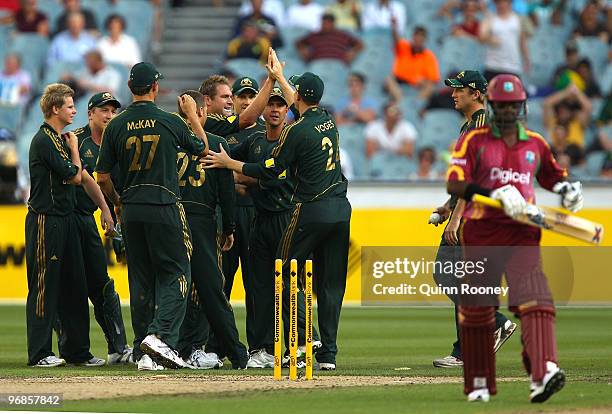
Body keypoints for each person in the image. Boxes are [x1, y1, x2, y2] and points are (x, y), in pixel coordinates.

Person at [205, 67, 352, 371]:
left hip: (305, 211)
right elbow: (296, 100)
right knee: (329, 285)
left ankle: (301, 343)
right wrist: (279, 77)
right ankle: (326, 353)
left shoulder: (294, 132)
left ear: (293, 101)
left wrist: (230, 164)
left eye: (282, 102)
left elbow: (271, 170)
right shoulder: (328, 120)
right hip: (340, 208)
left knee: (283, 273)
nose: (275, 108)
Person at [446, 74, 581, 403]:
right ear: (492, 105)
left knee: (537, 301)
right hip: (482, 231)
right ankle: (479, 382)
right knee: (478, 307)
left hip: (522, 231)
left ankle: (543, 371)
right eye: (501, 107)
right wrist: (493, 193)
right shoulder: (473, 141)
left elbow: (552, 174)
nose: (507, 113)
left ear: (521, 107)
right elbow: (455, 184)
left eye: (513, 106)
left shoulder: (535, 142)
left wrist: (567, 188)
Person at [95, 62, 210, 370]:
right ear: (155, 88)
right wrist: (191, 117)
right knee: (178, 271)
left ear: (131, 88)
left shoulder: (115, 125)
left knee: (141, 280)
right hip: (164, 205)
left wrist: (118, 202)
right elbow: (202, 148)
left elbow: (103, 176)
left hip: (131, 210)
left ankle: (143, 350)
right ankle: (161, 338)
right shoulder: (169, 120)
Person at [430, 70, 516, 369]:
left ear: (477, 93)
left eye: (460, 90)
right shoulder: (472, 125)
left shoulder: (479, 125)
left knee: (448, 273)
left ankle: (492, 323)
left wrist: (456, 217)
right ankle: (465, 348)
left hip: (473, 216)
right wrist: (447, 206)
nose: (454, 94)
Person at [25, 83, 113, 367]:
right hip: (46, 220)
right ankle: (39, 353)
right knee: (44, 287)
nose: (74, 110)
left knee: (75, 285)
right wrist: (75, 148)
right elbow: (75, 176)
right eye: (70, 106)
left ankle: (77, 352)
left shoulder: (57, 138)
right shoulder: (45, 140)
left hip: (66, 219)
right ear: (55, 109)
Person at [174, 90, 249, 370]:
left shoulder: (171, 141)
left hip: (173, 219)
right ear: (201, 111)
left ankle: (169, 349)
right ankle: (236, 354)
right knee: (211, 291)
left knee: (172, 288)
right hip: (203, 222)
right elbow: (226, 193)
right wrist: (229, 227)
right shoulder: (216, 144)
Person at [70, 92, 133, 365]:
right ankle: (68, 350)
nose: (109, 115)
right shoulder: (74, 139)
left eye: (112, 110)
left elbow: (115, 190)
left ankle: (118, 348)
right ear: (90, 113)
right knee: (69, 287)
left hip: (87, 219)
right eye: (103, 110)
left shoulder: (116, 142)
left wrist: (117, 227)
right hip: (65, 218)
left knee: (102, 286)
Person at [479, 0, 530, 80]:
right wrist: (490, 39)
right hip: (493, 66)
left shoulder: (518, 19)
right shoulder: (490, 19)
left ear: (509, 3)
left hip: (512, 67)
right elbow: (481, 38)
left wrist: (527, 59)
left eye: (503, 2)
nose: (501, 5)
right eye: (498, 2)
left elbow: (522, 41)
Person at [388, 24, 440, 101]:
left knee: (430, 87)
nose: (418, 40)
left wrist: (422, 81)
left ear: (425, 40)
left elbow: (433, 80)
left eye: (421, 38)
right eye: (416, 37)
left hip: (417, 85)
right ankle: (400, 102)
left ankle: (416, 105)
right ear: (413, 37)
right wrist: (394, 27)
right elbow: (396, 39)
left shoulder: (429, 56)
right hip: (399, 81)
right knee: (388, 79)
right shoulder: (404, 46)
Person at [296, 13, 363, 65]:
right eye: (323, 23)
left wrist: (352, 52)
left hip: (338, 63)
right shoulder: (314, 35)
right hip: (317, 62)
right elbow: (299, 42)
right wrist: (303, 50)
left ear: (332, 24)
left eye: (327, 23)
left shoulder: (342, 35)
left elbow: (359, 44)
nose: (324, 25)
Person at [543, 83, 592, 149]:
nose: (563, 113)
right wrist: (566, 92)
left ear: (571, 112)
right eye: (560, 110)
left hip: (575, 156)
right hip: (555, 155)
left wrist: (576, 92)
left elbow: (588, 107)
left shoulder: (577, 122)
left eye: (566, 110)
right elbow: (547, 103)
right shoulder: (552, 122)